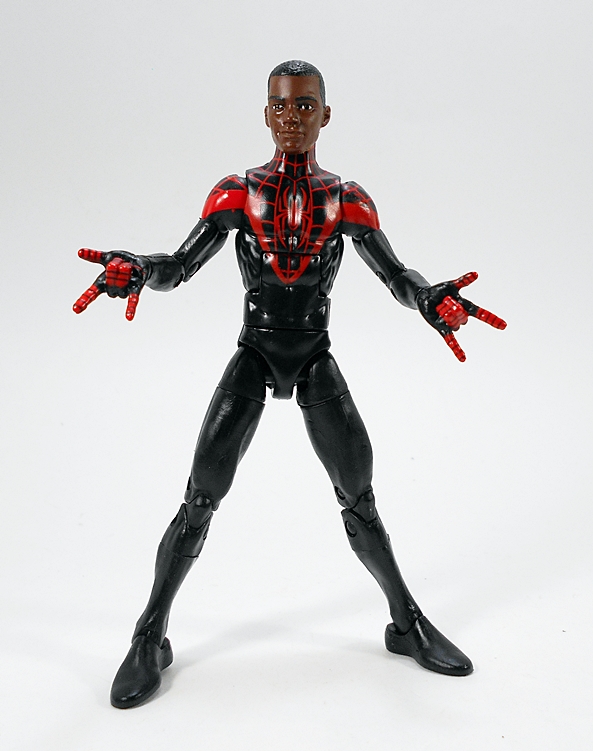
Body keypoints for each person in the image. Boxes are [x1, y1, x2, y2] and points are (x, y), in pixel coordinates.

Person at [74, 60, 505, 709]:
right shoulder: (235, 194)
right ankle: (149, 636)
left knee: (358, 496)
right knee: (200, 496)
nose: (292, 117)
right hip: (254, 353)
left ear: (325, 115)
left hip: (311, 354)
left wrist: (426, 298)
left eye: (305, 105)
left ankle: (405, 624)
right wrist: (137, 268)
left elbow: (394, 273)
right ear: (265, 113)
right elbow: (180, 265)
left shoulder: (347, 199)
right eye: (280, 105)